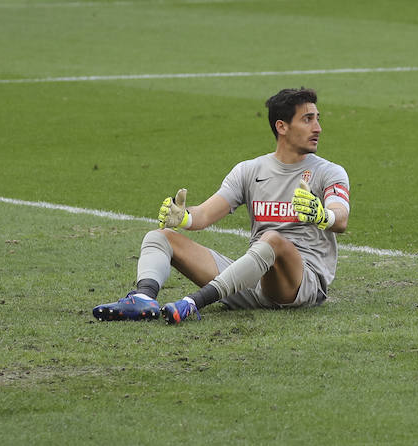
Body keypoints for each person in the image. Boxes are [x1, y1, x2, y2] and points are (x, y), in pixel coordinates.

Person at [92, 87, 350, 324]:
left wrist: (322, 215)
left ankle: (194, 302)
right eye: (308, 119)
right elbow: (204, 214)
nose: (318, 128)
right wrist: (183, 217)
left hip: (299, 286)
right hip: (252, 278)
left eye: (318, 118)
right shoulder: (250, 170)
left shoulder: (329, 172)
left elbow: (341, 218)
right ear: (281, 127)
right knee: (159, 237)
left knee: (273, 239)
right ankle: (143, 298)